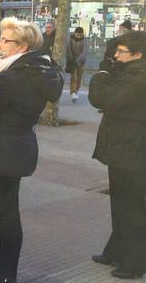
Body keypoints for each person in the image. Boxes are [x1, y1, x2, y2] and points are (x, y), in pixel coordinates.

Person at [0, 17, 63, 283]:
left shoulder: (13, 77)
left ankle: (7, 273)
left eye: (5, 40)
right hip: (14, 146)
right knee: (6, 212)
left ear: (23, 45)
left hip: (3, 150)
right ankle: (4, 267)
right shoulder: (35, 69)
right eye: (0, 38)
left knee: (6, 214)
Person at [89, 31, 146, 280]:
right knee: (120, 204)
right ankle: (116, 251)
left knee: (130, 207)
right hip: (125, 148)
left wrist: (101, 74)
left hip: (132, 151)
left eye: (121, 52)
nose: (116, 56)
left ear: (138, 54)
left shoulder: (137, 78)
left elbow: (103, 98)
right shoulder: (131, 73)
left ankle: (134, 263)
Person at [66, 26, 88, 103]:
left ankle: (76, 91)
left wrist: (79, 60)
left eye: (80, 35)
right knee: (73, 77)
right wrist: (72, 58)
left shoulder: (85, 40)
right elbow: (68, 49)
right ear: (75, 33)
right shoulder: (70, 39)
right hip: (72, 60)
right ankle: (73, 92)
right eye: (77, 34)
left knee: (79, 77)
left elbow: (84, 51)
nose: (78, 36)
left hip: (81, 61)